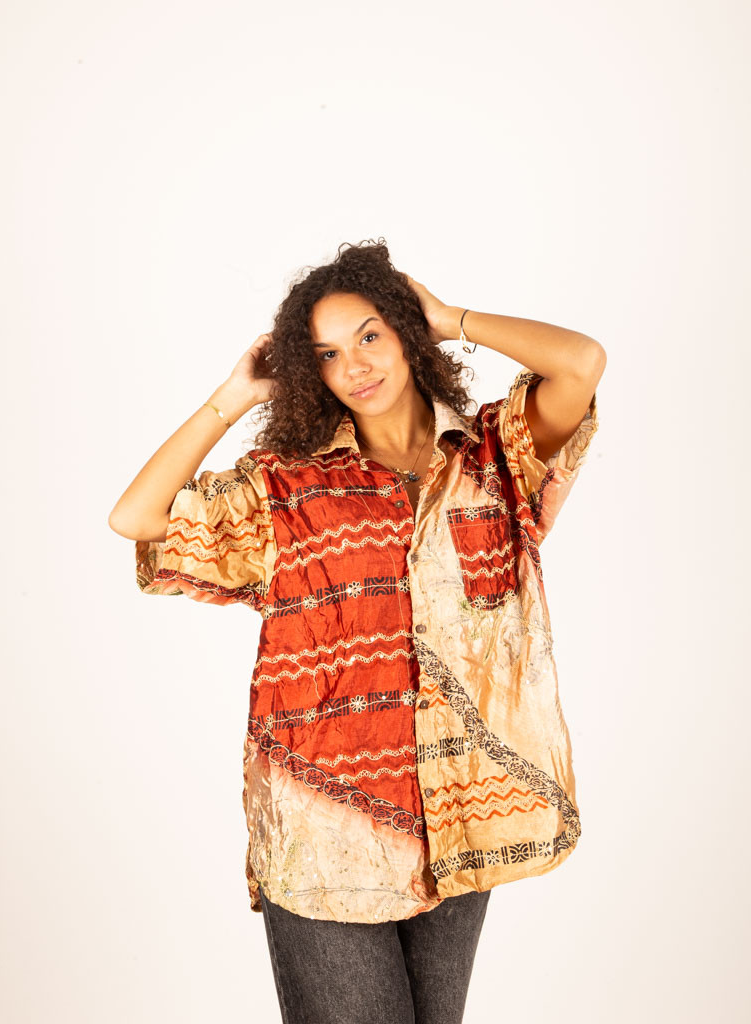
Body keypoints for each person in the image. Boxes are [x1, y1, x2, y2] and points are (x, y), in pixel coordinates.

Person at [109, 238, 605, 1024]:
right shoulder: (288, 484)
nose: (356, 366)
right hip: (324, 829)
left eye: (371, 335)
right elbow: (136, 517)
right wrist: (231, 397)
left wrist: (450, 317)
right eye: (328, 354)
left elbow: (581, 362)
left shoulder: (494, 458)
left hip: (457, 820)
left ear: (407, 333)